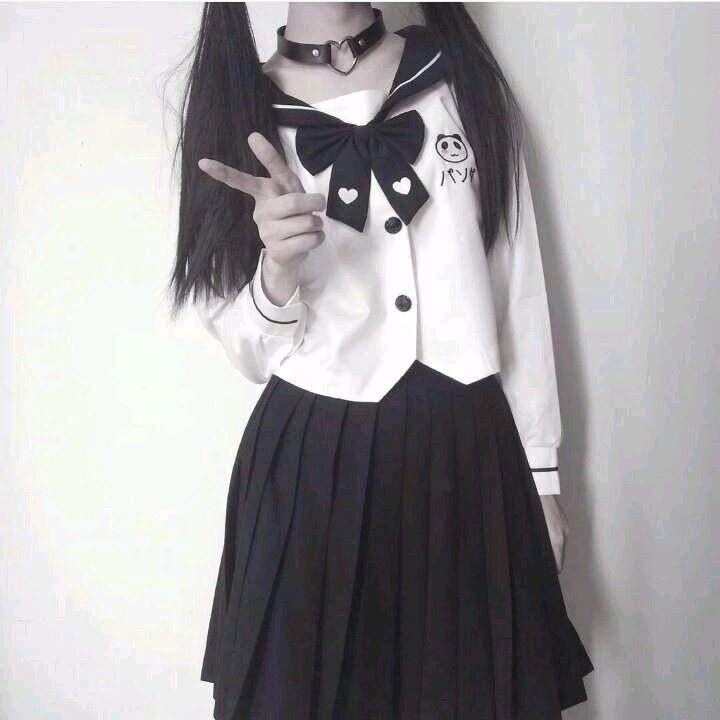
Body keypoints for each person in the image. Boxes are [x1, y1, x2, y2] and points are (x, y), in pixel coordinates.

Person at [168, 3, 594, 718]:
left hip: (469, 454)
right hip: (313, 468)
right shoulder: (237, 107)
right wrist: (276, 270)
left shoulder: (459, 79)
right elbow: (246, 348)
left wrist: (541, 475)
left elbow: (517, 283)